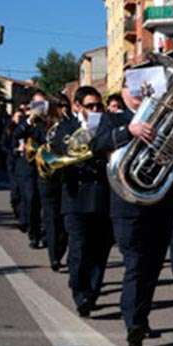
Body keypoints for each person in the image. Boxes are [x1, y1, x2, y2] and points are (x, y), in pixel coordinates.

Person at [91, 66, 173, 346]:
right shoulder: (111, 119)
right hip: (127, 203)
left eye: (146, 86)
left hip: (159, 203)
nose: (141, 92)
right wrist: (129, 131)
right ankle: (134, 323)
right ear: (124, 90)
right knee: (136, 263)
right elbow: (97, 144)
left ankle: (142, 316)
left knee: (152, 266)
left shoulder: (163, 118)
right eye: (135, 86)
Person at [52, 86, 113, 316]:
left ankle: (92, 292)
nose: (96, 110)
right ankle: (80, 294)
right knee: (78, 249)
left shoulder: (107, 125)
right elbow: (58, 152)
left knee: (100, 250)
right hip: (75, 197)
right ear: (77, 106)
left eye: (99, 106)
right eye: (90, 106)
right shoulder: (66, 127)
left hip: (102, 196)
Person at [39, 94, 70, 271]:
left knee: (65, 220)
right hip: (48, 178)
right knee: (51, 218)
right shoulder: (42, 126)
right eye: (60, 105)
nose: (63, 108)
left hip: (64, 177)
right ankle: (54, 256)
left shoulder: (70, 125)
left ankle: (59, 250)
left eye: (65, 105)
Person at [13, 91, 48, 249]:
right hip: (28, 167)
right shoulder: (26, 121)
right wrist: (30, 119)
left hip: (45, 166)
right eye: (36, 104)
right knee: (32, 200)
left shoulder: (48, 121)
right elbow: (17, 133)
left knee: (45, 202)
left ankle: (46, 233)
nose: (39, 107)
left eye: (42, 104)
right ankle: (34, 234)